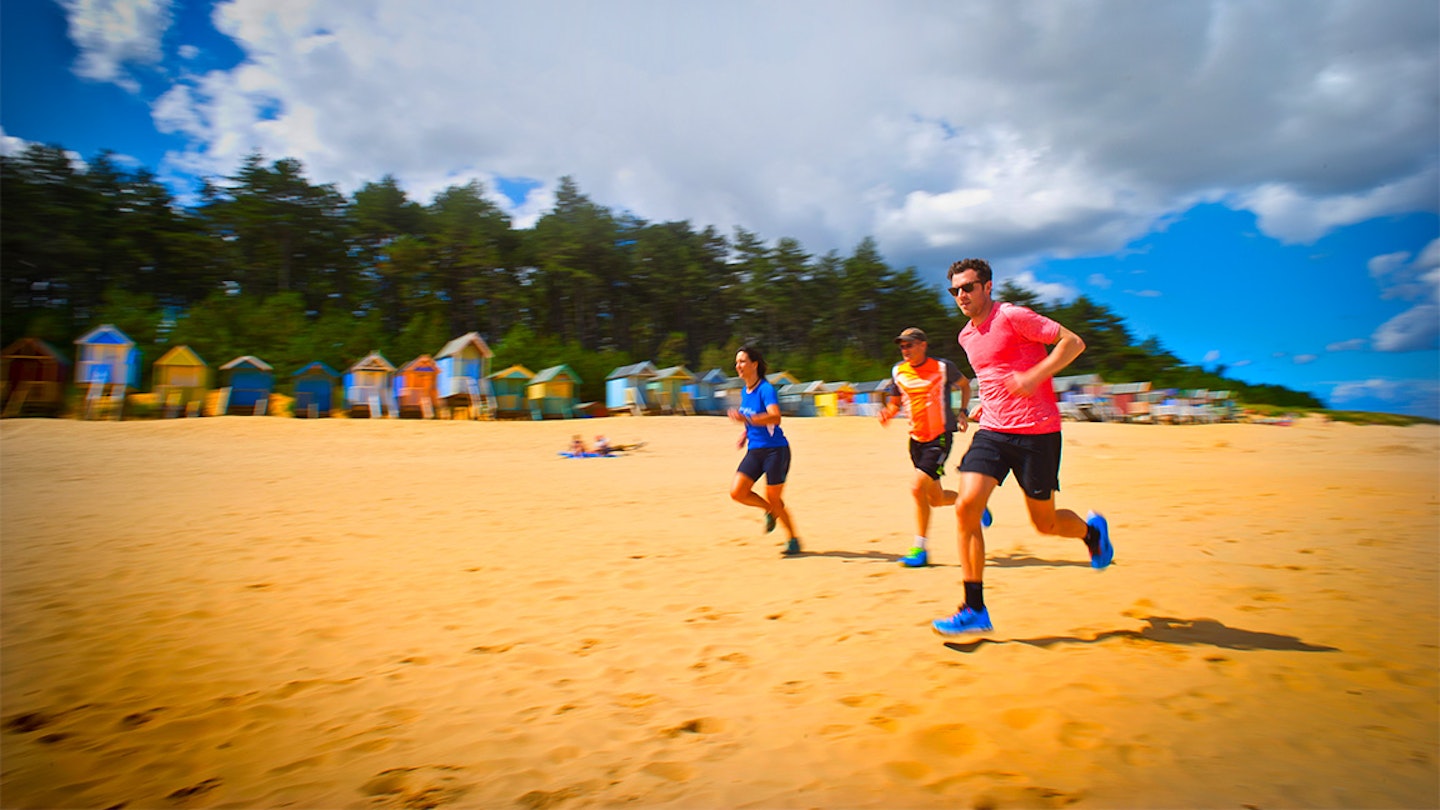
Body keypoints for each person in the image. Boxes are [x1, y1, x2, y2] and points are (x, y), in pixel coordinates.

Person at [933, 258, 1114, 636]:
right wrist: (988, 401)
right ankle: (974, 608)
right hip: (995, 432)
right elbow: (993, 373)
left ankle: (1091, 534)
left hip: (1039, 433)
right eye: (955, 290)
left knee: (1045, 523)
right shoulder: (965, 336)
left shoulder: (1013, 316)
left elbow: (1073, 343)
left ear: (987, 287)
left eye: (968, 287)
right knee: (966, 507)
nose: (961, 295)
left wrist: (1036, 375)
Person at [878, 327, 971, 568]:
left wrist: (962, 412)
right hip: (916, 441)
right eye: (902, 346)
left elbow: (965, 385)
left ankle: (920, 548)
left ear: (923, 345)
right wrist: (888, 412)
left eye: (909, 345)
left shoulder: (943, 367)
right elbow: (895, 402)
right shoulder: (898, 371)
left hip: (939, 438)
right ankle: (972, 502)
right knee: (936, 499)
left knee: (917, 488)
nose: (905, 350)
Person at [727, 345, 801, 556]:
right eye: (736, 362)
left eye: (742, 361)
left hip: (775, 451)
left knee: (775, 498)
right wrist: (745, 432)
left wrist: (747, 419)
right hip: (755, 450)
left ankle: (793, 539)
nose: (738, 366)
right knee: (737, 492)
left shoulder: (765, 389)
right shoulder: (745, 391)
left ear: (754, 364)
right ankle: (768, 510)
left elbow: (775, 416)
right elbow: (750, 418)